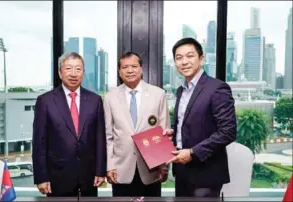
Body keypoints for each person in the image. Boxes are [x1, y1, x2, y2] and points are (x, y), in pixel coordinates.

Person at [163, 38, 237, 197]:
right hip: (182, 171)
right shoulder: (181, 91)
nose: (184, 62)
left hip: (206, 173)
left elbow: (228, 131)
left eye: (190, 56)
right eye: (179, 57)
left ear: (201, 59)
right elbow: (192, 122)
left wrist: (192, 152)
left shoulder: (217, 88)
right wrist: (174, 133)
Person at [32, 52, 106, 197]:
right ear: (60, 73)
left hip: (88, 177)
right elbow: (39, 142)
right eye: (68, 68)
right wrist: (41, 177)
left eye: (78, 69)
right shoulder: (45, 101)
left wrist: (100, 170)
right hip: (57, 177)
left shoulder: (95, 100)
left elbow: (100, 138)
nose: (73, 73)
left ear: (83, 73)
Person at [104, 52, 170, 197]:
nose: (129, 70)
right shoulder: (110, 97)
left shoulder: (158, 94)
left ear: (141, 69)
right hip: (121, 169)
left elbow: (164, 132)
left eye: (134, 66)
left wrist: (164, 166)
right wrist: (110, 166)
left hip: (151, 168)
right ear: (119, 72)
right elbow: (108, 137)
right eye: (125, 67)